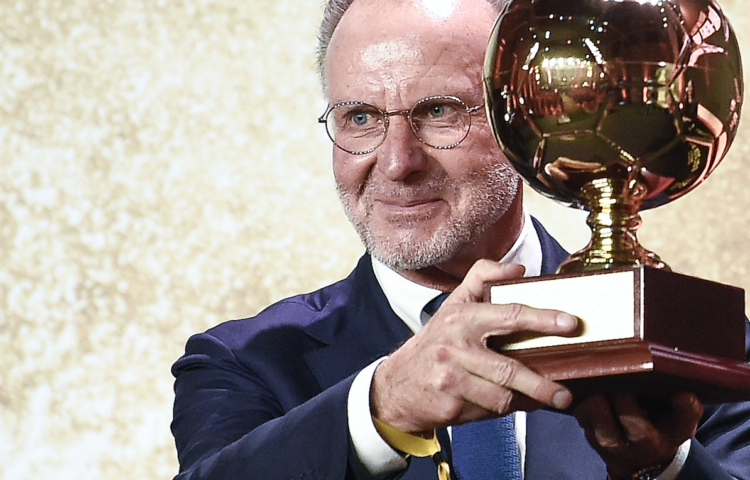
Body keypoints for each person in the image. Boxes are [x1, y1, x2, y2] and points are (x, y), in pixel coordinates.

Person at [170, 0, 750, 479]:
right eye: (360, 118)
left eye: (439, 111)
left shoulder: (694, 343)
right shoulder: (245, 363)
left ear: (524, 121)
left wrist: (666, 467)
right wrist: (383, 405)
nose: (397, 162)